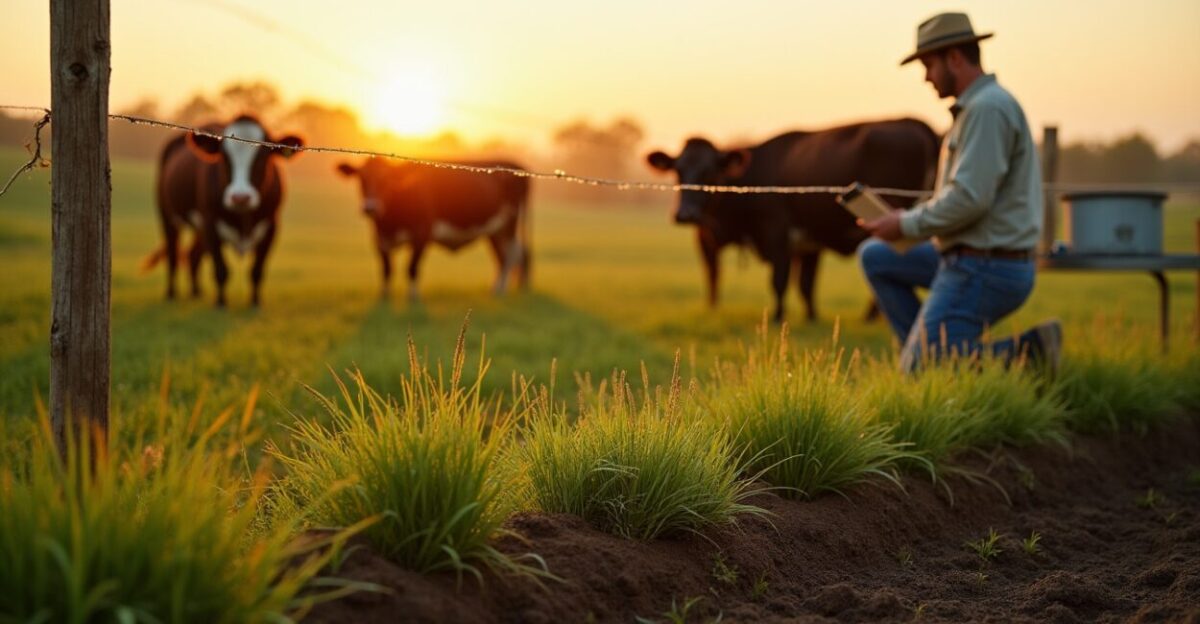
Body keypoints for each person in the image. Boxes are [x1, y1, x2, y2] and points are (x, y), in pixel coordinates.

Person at [857, 12, 1062, 373]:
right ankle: (930, 348)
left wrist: (905, 224)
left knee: (920, 371)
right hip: (966, 255)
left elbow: (969, 199)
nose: (925, 77)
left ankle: (1030, 351)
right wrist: (903, 221)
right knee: (876, 255)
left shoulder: (986, 110)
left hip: (986, 265)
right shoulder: (975, 110)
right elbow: (962, 193)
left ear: (954, 58)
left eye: (929, 65)